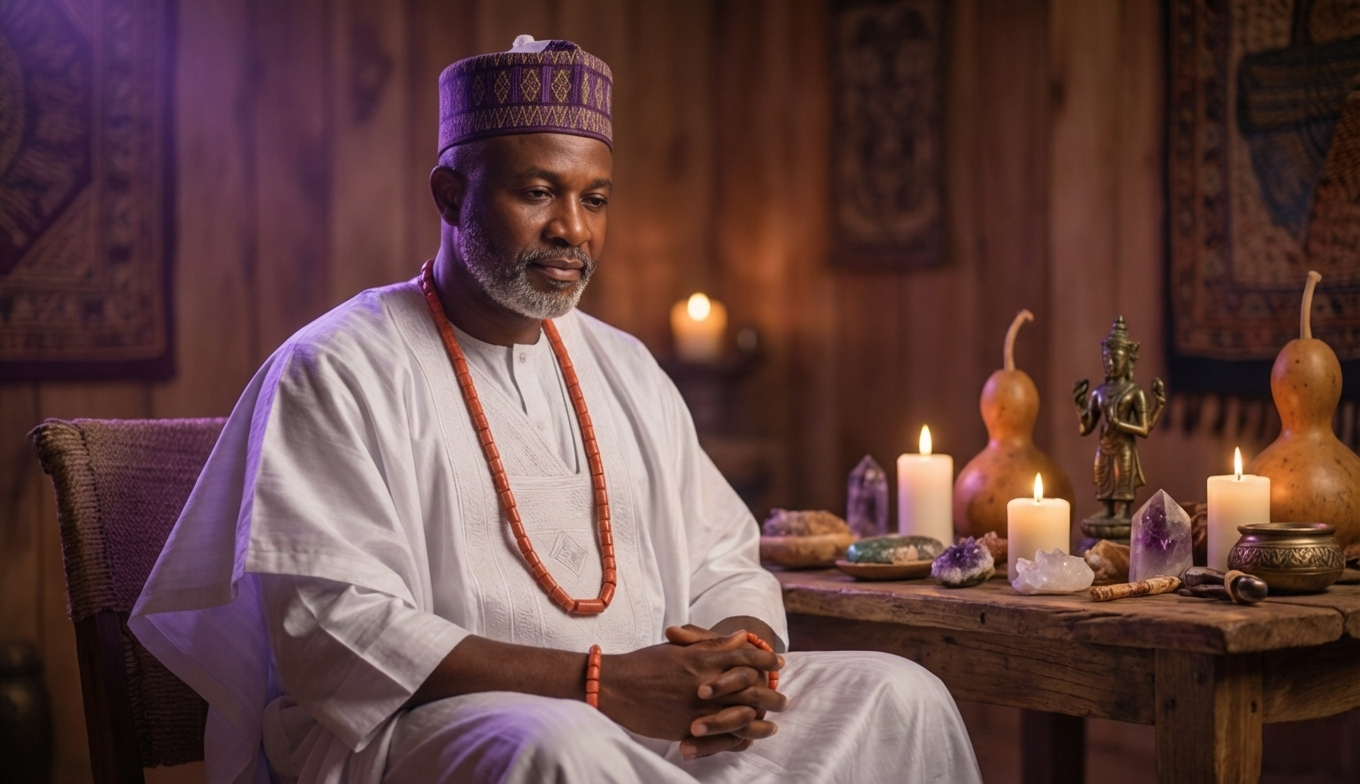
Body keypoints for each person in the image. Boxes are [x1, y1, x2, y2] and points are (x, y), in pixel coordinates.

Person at [129, 36, 981, 784]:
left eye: (596, 198)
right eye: (537, 192)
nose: (573, 229)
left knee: (899, 697)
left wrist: (739, 662)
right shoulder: (338, 368)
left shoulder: (624, 365)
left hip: (654, 715)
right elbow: (334, 629)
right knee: (561, 751)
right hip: (423, 739)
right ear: (450, 194)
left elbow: (724, 557)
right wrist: (603, 685)